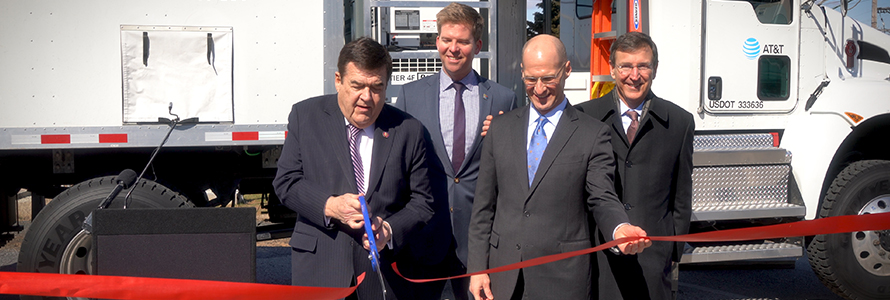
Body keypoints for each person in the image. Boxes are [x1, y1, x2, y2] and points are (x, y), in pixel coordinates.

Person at [466, 34, 651, 300]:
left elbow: (602, 196)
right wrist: (477, 268)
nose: (539, 89)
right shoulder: (500, 129)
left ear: (566, 70)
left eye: (548, 78)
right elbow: (483, 207)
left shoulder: (592, 133)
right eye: (531, 79)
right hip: (502, 277)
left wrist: (619, 228)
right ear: (522, 73)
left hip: (563, 281)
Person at [272, 37, 435, 300]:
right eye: (357, 86)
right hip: (320, 270)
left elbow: (423, 202)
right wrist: (330, 206)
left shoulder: (408, 129)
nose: (366, 98)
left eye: (377, 87)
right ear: (338, 80)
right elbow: (287, 182)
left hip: (383, 276)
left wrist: (390, 231)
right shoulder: (306, 116)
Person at [392, 3, 517, 299]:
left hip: (478, 243)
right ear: (437, 41)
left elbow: (510, 171)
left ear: (477, 45)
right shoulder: (411, 95)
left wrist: (502, 135)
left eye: (462, 41)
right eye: (446, 40)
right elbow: (396, 165)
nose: (453, 48)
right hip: (423, 237)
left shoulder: (503, 99)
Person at [575, 31, 694, 300]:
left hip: (652, 256)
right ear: (613, 69)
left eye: (643, 65)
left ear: (655, 69)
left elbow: (681, 195)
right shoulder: (585, 116)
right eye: (626, 66)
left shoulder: (679, 122)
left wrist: (671, 251)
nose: (634, 74)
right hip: (598, 252)